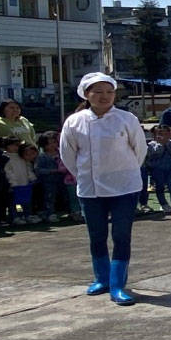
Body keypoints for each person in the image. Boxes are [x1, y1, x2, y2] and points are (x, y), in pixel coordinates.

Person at [60, 72, 148, 305]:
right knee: (96, 235)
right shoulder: (74, 121)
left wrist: (123, 172)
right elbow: (68, 154)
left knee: (121, 235)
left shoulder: (126, 119)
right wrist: (85, 175)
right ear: (86, 95)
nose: (104, 96)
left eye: (109, 92)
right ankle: (102, 278)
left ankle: (118, 285)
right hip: (90, 188)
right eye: (97, 92)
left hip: (124, 187)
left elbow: (139, 150)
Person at [145, 126, 171, 214]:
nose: (163, 136)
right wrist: (161, 144)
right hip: (157, 170)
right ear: (155, 135)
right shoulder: (151, 145)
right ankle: (164, 204)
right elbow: (153, 154)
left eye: (166, 134)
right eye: (160, 134)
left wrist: (167, 144)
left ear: (169, 134)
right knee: (160, 187)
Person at [35, 132, 63, 223]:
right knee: (49, 198)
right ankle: (49, 213)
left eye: (54, 142)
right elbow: (38, 170)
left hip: (62, 179)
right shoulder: (42, 156)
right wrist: (51, 171)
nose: (52, 145)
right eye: (48, 143)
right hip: (48, 181)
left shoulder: (61, 153)